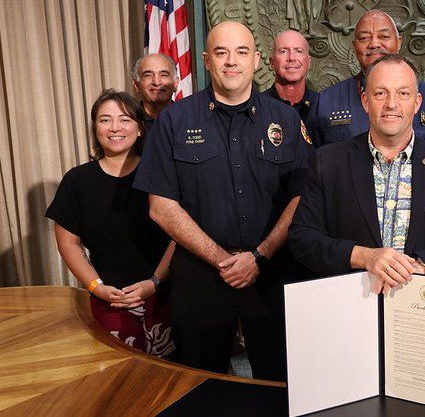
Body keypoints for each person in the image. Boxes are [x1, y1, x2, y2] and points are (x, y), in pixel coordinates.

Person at [133, 21, 312, 380]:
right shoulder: (174, 121)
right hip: (201, 279)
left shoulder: (286, 120)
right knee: (199, 386)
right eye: (221, 52)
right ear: (206, 60)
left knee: (280, 384)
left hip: (271, 276)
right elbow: (161, 207)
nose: (232, 61)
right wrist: (225, 260)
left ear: (257, 60)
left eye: (241, 52)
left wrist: (259, 256)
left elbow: (301, 196)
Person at [289, 54, 425, 294]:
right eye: (380, 93)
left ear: (417, 102)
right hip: (351, 306)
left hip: (423, 310)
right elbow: (302, 238)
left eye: (403, 93)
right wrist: (364, 256)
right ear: (365, 101)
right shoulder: (328, 162)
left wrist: (419, 266)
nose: (391, 103)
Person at [46, 89, 174, 358]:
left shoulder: (162, 174)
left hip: (166, 295)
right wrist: (97, 287)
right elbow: (68, 242)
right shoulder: (77, 181)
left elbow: (179, 235)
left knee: (172, 381)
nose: (115, 127)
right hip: (109, 300)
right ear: (95, 129)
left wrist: (154, 282)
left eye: (125, 119)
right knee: (120, 383)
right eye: (105, 120)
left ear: (140, 129)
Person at [308, 10, 425, 148]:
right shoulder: (326, 101)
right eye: (364, 38)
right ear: (354, 46)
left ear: (398, 42)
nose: (374, 44)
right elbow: (315, 164)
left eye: (384, 37)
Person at [263, 29, 318, 123]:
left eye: (299, 51)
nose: (292, 58)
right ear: (272, 62)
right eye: (283, 51)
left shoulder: (322, 107)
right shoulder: (259, 107)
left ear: (308, 62)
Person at [131, 53, 179, 132]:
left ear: (175, 83)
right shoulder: (128, 121)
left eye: (164, 75)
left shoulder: (189, 118)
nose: (157, 82)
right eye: (148, 75)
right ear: (136, 85)